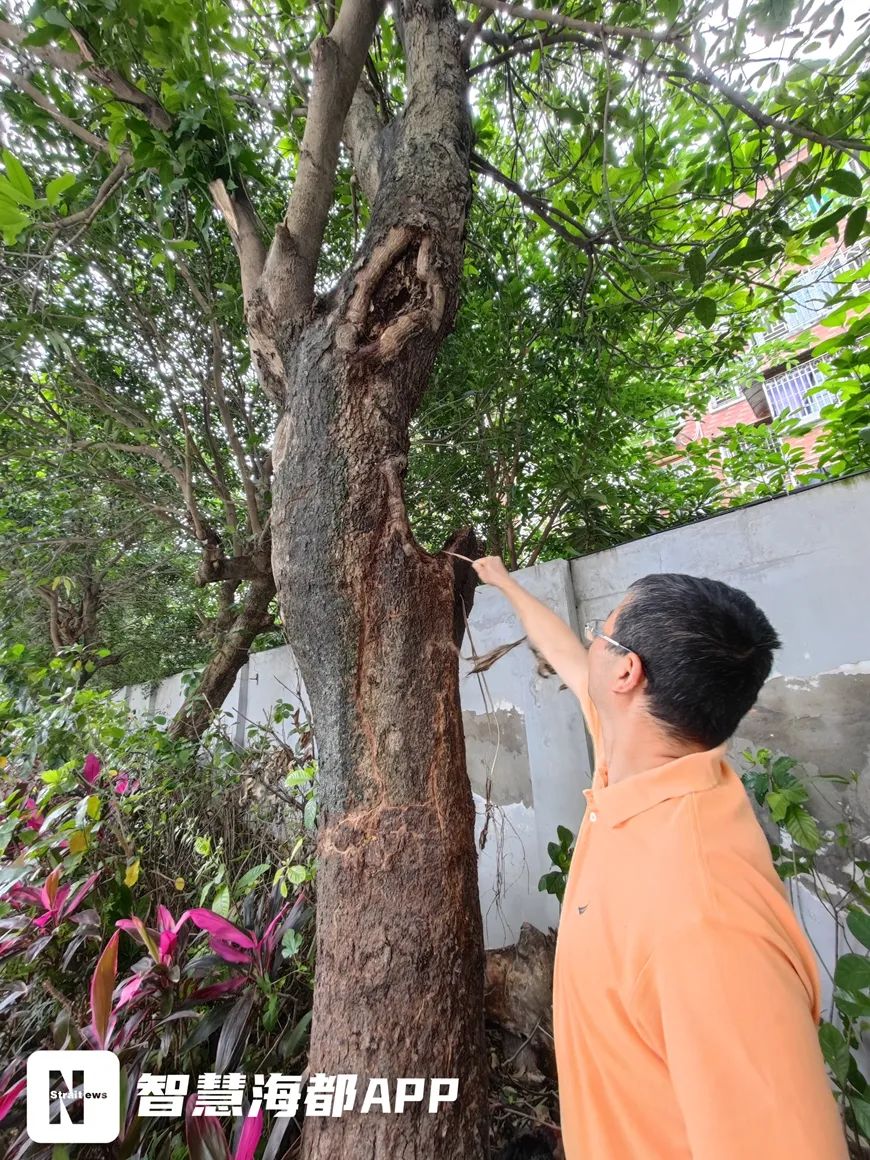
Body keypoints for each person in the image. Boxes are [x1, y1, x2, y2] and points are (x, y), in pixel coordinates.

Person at [470, 556, 850, 1160]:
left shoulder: (707, 918)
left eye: (602, 627)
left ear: (626, 672)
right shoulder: (638, 761)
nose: (589, 639)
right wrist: (505, 582)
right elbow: (566, 652)